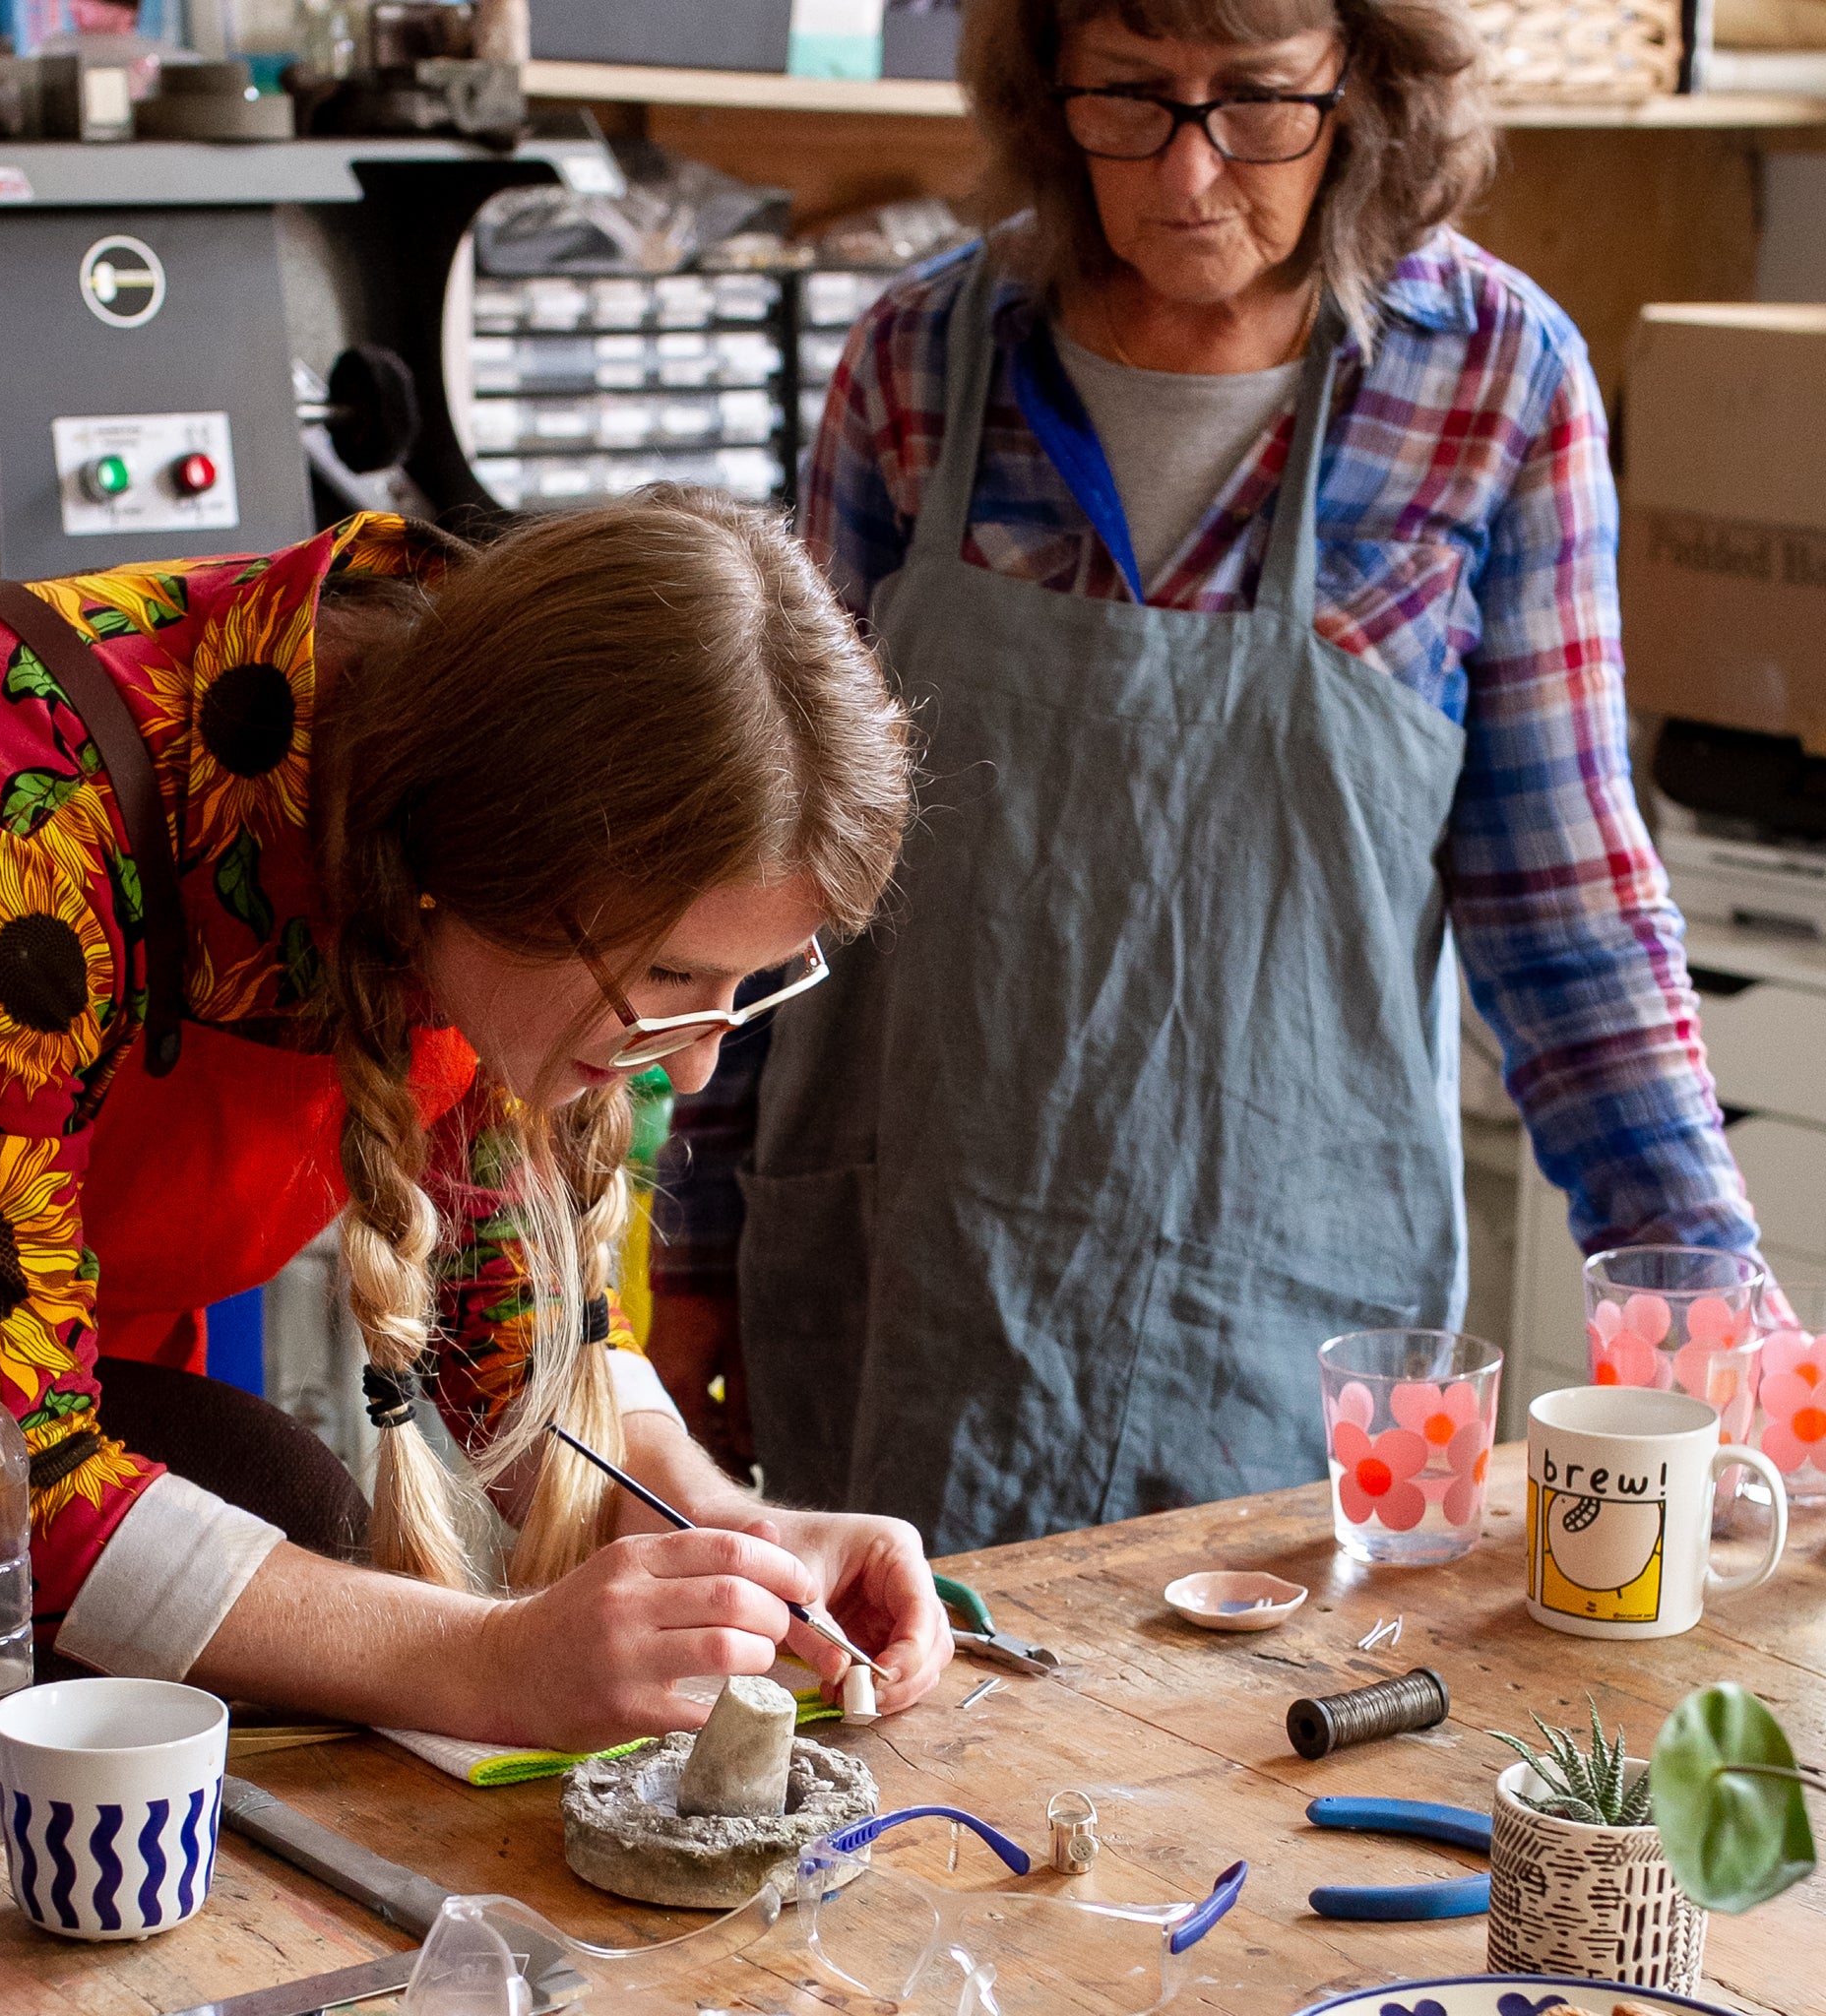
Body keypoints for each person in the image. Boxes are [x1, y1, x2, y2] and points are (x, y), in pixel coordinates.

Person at [650, 0, 1763, 1549]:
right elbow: (774, 866)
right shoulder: (919, 362)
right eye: (1130, 101)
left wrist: (1708, 1299)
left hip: (1286, 1310)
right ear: (1051, 87)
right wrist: (689, 1255)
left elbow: (1564, 909)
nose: (1188, 175)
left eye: (1255, 106)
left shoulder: (1493, 382)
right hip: (924, 1281)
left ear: (1362, 91)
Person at [0, 492, 950, 1751]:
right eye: (668, 980)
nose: (685, 1076)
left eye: (752, 981)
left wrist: (722, 1524)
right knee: (273, 1509)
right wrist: (486, 1660)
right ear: (477, 870)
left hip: (56, 1393)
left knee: (277, 1522)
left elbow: (499, 1329)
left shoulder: (462, 834)